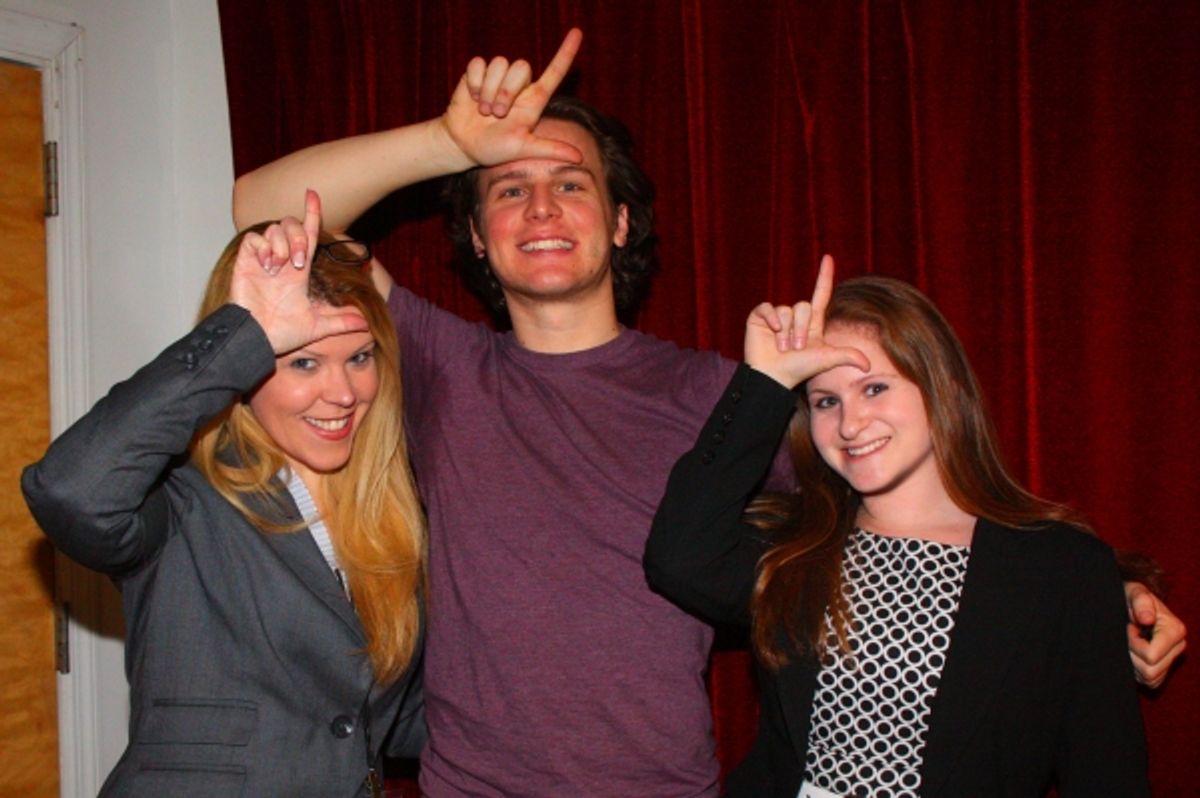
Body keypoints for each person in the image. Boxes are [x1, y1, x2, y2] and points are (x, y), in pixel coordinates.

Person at [230, 30, 1182, 795]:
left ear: (621, 221)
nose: (542, 206)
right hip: (474, 784)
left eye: (572, 183)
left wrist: (1102, 595)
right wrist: (450, 145)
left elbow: (897, 518)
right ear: (478, 238)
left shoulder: (727, 397)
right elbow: (258, 205)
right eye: (508, 190)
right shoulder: (438, 363)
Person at [645, 260, 1150, 796]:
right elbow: (679, 557)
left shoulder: (1061, 570)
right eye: (825, 401)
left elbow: (1107, 774)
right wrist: (764, 383)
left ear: (943, 388)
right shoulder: (790, 548)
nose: (850, 423)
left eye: (875, 388)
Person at [22, 192, 426, 797]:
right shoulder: (184, 497)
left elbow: (396, 721)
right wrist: (243, 334)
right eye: (304, 364)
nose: (342, 393)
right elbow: (70, 490)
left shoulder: (394, 515)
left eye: (360, 357)